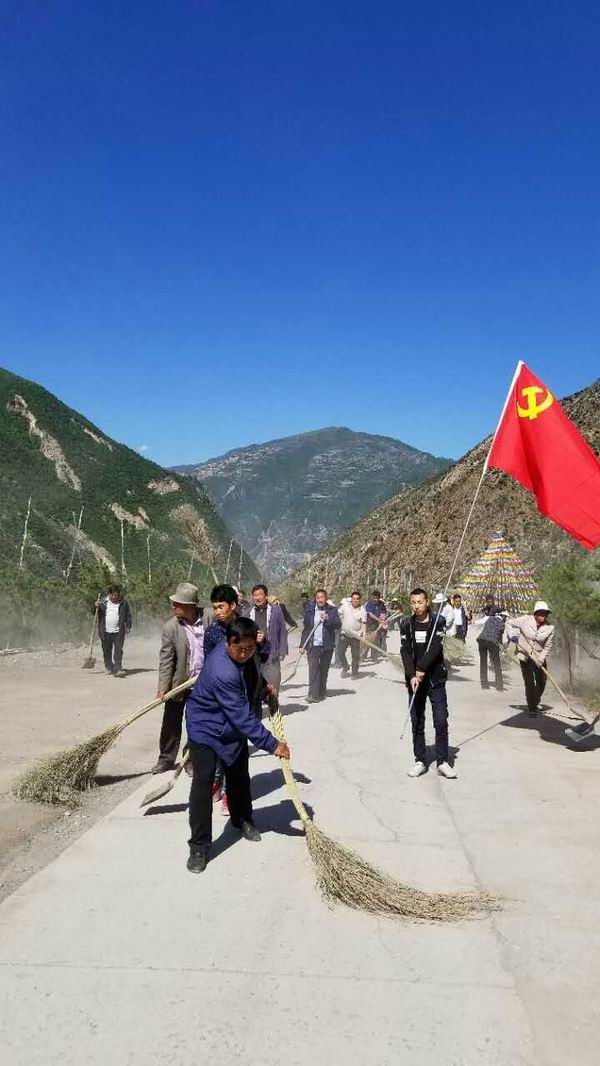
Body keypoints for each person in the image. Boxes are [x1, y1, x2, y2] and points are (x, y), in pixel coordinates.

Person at [185, 617, 290, 873]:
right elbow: (242, 717)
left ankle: (242, 819)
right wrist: (272, 744)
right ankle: (199, 846)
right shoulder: (222, 669)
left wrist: (263, 690)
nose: (244, 654)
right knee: (203, 786)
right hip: (206, 729)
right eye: (238, 649)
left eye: (249, 649)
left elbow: (251, 676)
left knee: (239, 777)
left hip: (231, 729)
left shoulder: (248, 655)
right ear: (228, 642)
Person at [400, 587, 456, 779]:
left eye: (420, 602)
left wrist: (422, 668)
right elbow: (405, 650)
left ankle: (442, 761)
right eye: (413, 602)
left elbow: (435, 647)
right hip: (415, 681)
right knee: (417, 720)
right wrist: (411, 675)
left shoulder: (438, 621)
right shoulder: (406, 623)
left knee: (440, 720)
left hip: (435, 679)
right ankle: (420, 760)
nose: (416, 606)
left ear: (427, 602)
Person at [151, 582, 204, 774]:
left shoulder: (209, 619)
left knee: (196, 724)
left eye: (178, 604)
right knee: (171, 722)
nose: (174, 607)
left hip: (203, 684)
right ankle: (166, 759)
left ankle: (190, 760)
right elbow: (166, 661)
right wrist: (162, 688)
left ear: (190, 606)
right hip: (179, 684)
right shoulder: (170, 628)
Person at [507, 600, 554, 716]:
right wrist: (512, 635)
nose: (543, 615)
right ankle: (532, 707)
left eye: (545, 613)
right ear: (535, 613)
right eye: (541, 613)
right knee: (529, 682)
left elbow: (547, 646)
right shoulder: (525, 620)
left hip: (538, 656)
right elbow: (509, 623)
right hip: (524, 655)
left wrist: (540, 659)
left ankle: (535, 701)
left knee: (542, 681)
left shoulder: (550, 628)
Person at [245, 584, 289, 692]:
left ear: (266, 596)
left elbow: (282, 631)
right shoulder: (248, 613)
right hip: (254, 655)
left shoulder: (276, 611)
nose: (258, 598)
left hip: (271, 653)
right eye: (255, 595)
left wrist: (283, 650)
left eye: (260, 595)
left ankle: (273, 702)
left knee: (273, 684)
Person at [301, 589, 341, 703]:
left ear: (326, 598)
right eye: (318, 597)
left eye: (322, 597)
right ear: (315, 599)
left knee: (323, 670)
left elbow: (338, 625)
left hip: (327, 645)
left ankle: (321, 691)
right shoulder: (309, 610)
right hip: (313, 644)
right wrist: (302, 644)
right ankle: (313, 695)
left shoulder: (332, 610)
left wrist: (328, 619)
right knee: (313, 669)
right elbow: (306, 628)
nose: (320, 600)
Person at [97, 584, 132, 677]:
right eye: (112, 595)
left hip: (118, 631)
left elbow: (128, 615)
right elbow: (94, 612)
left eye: (116, 595)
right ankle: (109, 667)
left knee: (118, 651)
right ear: (109, 594)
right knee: (106, 651)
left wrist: (128, 626)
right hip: (105, 631)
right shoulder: (102, 603)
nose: (114, 597)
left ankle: (118, 668)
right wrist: (95, 606)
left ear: (119, 595)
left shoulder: (123, 603)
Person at [476, 609, 506, 691]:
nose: (506, 619)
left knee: (483, 662)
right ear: (503, 616)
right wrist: (501, 648)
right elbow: (499, 637)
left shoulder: (489, 618)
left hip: (481, 640)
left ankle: (484, 684)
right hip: (491, 642)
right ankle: (499, 685)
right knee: (497, 663)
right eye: (505, 617)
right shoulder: (502, 623)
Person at [338, 591, 367, 678]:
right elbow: (337, 614)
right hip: (344, 633)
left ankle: (354, 672)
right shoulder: (345, 607)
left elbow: (364, 624)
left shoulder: (363, 611)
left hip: (356, 635)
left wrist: (364, 636)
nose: (355, 600)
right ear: (351, 599)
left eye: (357, 599)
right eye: (354, 599)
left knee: (355, 656)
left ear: (360, 600)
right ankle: (345, 666)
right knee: (340, 652)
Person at [364, 589, 387, 660]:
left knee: (375, 641)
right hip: (369, 624)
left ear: (379, 598)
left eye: (376, 598)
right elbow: (370, 614)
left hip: (377, 625)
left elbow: (383, 613)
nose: (375, 599)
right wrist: (379, 620)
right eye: (374, 598)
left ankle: (374, 656)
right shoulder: (369, 604)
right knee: (367, 641)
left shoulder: (381, 604)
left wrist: (383, 620)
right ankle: (363, 655)